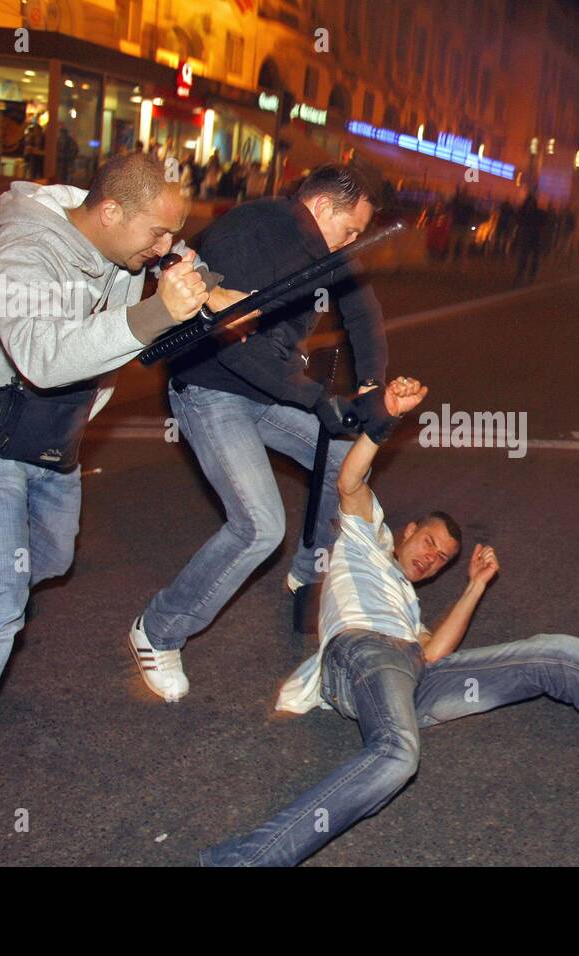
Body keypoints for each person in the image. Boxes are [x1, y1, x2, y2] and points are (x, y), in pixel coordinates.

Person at [0, 152, 255, 867]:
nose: (165, 249)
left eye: (172, 236)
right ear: (110, 214)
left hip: (50, 429)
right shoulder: (23, 251)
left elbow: (178, 263)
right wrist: (155, 313)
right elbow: (43, 358)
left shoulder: (127, 230)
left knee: (49, 559)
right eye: (158, 235)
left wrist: (213, 292)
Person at [199, 377, 579, 867]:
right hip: (362, 656)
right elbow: (349, 481)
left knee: (555, 655)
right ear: (408, 529)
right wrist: (383, 420)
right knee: (397, 755)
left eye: (441, 559)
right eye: (429, 544)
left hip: (410, 669)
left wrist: (473, 586)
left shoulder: (409, 606)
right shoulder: (365, 541)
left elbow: (435, 653)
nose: (431, 558)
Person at [127, 164, 392, 704]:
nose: (353, 242)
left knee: (343, 459)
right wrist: (317, 400)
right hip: (212, 388)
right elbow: (238, 347)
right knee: (258, 525)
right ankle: (157, 631)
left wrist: (370, 389)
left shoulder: (323, 249)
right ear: (321, 209)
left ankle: (307, 570)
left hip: (266, 388)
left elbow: (363, 314)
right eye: (350, 230)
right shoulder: (253, 234)